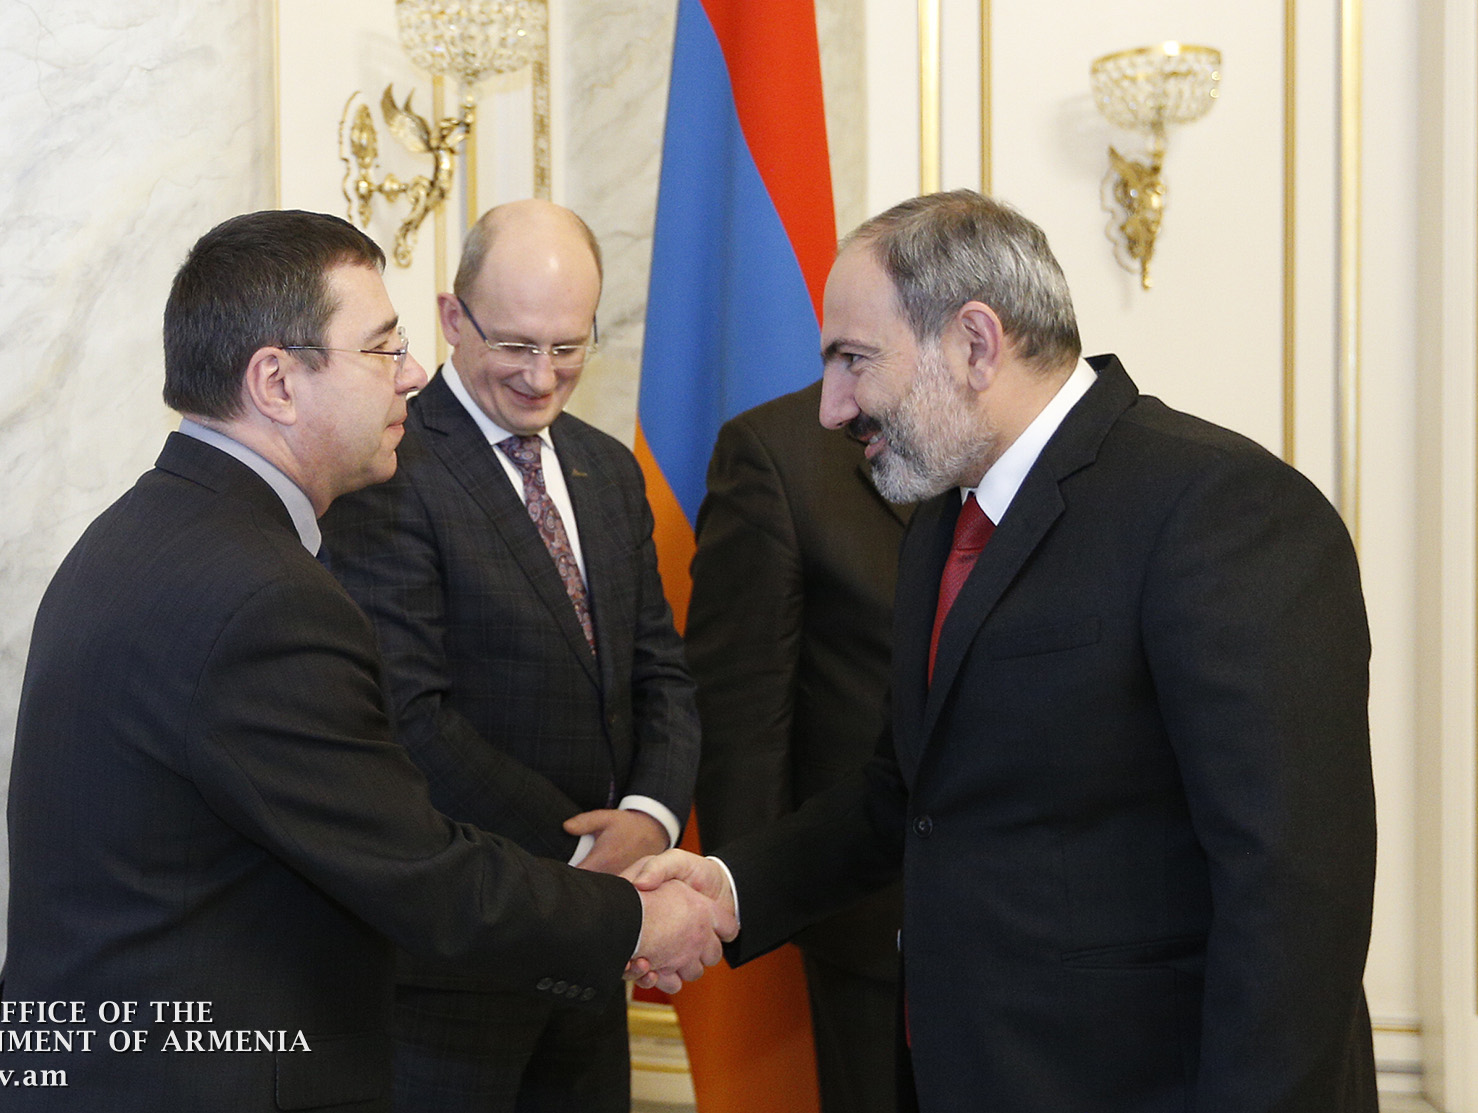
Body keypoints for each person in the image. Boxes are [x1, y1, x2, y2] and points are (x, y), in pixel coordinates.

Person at [629, 190, 1379, 1113]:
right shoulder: (944, 521)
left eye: (854, 360)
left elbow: (1295, 893)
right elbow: (909, 792)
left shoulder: (1222, 508)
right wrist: (727, 888)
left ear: (976, 344)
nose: (831, 407)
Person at [0, 210, 727, 1113]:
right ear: (277, 382)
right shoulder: (262, 595)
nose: (411, 374)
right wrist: (637, 915)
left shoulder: (150, 528)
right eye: (381, 349)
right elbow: (418, 869)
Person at [320, 199, 700, 1113]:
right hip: (456, 974)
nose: (541, 376)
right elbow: (412, 718)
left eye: (568, 347)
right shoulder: (388, 465)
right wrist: (585, 858)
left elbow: (661, 673)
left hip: (588, 971)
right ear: (453, 318)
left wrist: (649, 816)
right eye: (516, 345)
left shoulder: (608, 469)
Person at [686, 380, 912, 1113]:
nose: (839, 389)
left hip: (1055, 934)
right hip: (875, 916)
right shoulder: (779, 449)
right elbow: (742, 699)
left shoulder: (1042, 449)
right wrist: (749, 887)